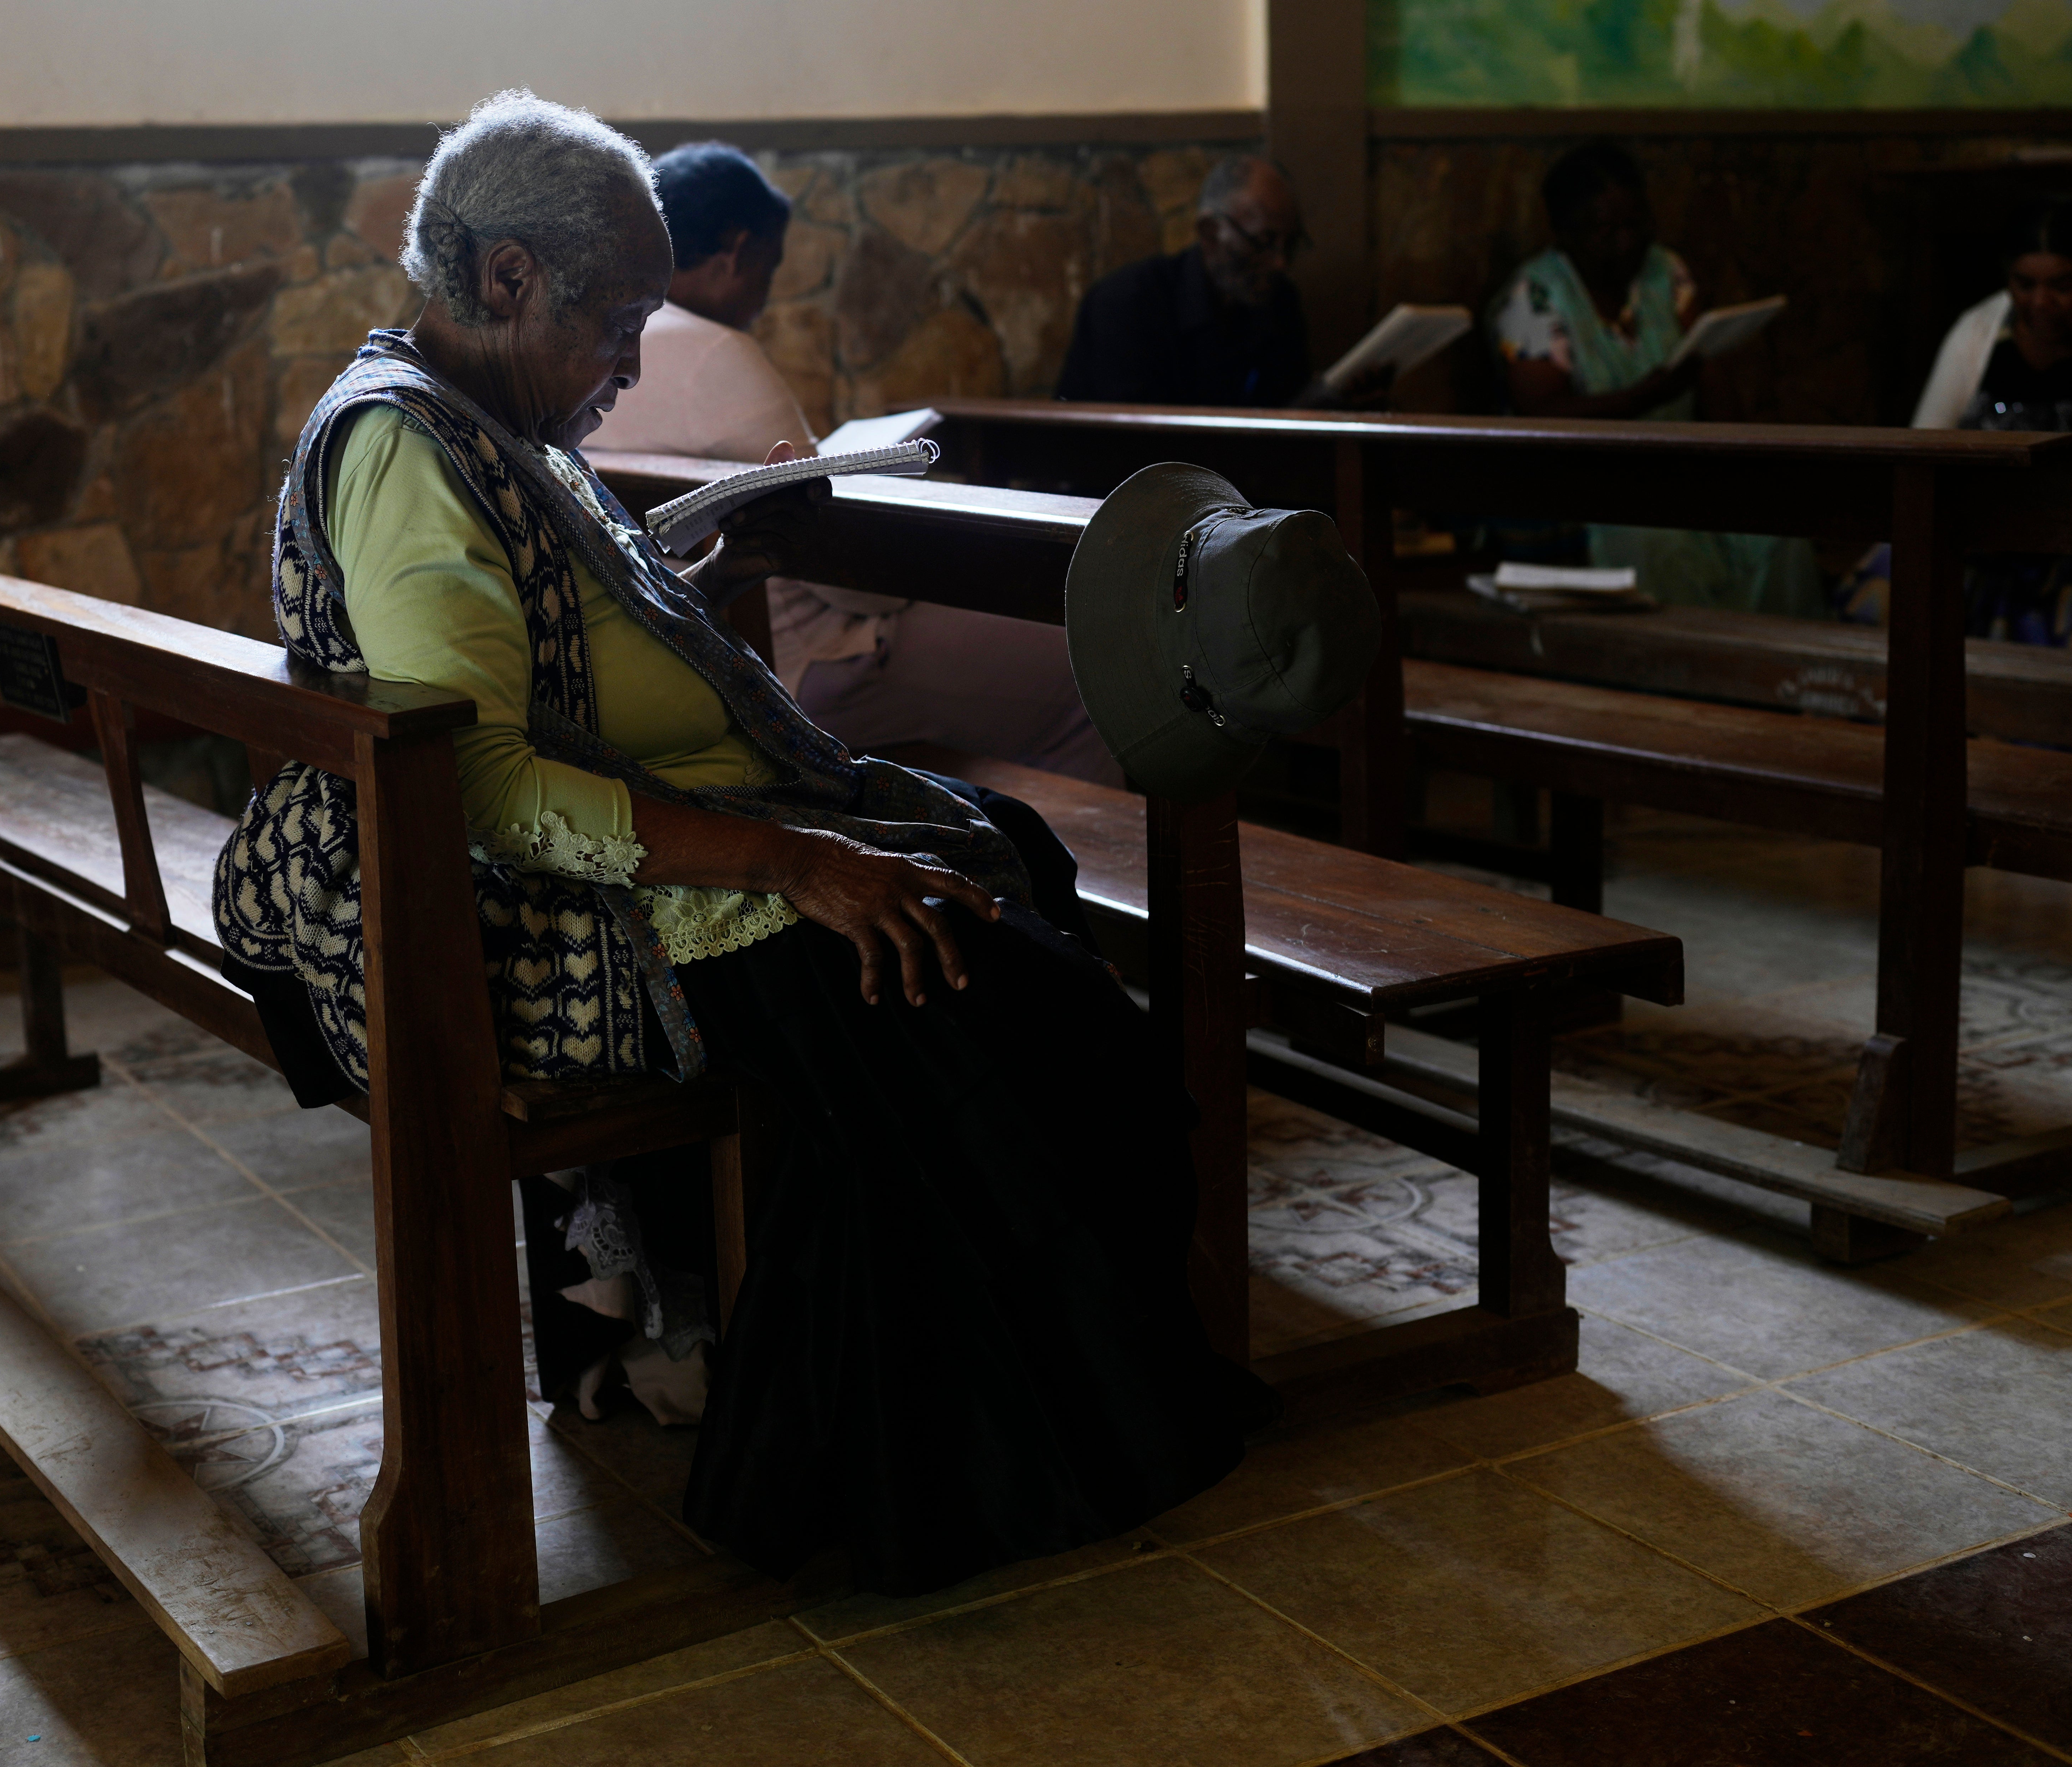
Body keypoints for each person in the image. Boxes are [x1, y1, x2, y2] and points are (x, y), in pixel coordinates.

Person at [212, 91, 1271, 1596]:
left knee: (1005, 855)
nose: (631, 363)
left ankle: (964, 1381)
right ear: (507, 277)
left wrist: (681, 590)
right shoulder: (407, 453)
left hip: (653, 841)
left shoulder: (478, 418)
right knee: (993, 997)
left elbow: (540, 643)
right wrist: (789, 863)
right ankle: (911, 1468)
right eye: (616, 321)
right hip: (560, 916)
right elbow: (480, 782)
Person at [590, 141, 1120, 784]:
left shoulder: (602, 346)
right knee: (1096, 664)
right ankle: (1068, 871)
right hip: (808, 659)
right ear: (735, 251)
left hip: (695, 651)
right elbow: (845, 575)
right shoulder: (715, 353)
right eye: (770, 265)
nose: (766, 292)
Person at [1487, 140, 1818, 616]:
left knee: (1777, 535)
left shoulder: (1666, 272)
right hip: (1593, 492)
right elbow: (1543, 412)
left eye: (1636, 224)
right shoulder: (1535, 297)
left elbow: (1713, 387)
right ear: (1566, 233)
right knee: (1657, 546)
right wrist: (1649, 394)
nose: (1626, 242)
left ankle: (1785, 670)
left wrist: (1747, 467)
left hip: (1685, 471)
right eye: (1606, 230)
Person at [1835, 195, 2072, 651]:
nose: (2040, 302)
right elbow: (1926, 443)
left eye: (2063, 286)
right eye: (2023, 284)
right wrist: (1971, 522)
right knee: (1897, 568)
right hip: (1982, 525)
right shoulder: (1980, 329)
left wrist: (2064, 524)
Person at [1055, 155, 1324, 408]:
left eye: (1290, 245)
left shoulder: (1279, 301)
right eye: (1263, 242)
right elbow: (1122, 436)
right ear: (1210, 233)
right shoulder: (1127, 304)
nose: (1280, 262)